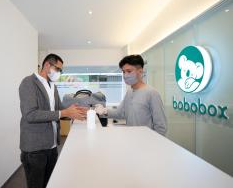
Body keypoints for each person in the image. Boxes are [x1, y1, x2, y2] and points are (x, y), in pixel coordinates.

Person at [19, 54, 87, 188]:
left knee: (50, 183)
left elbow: (59, 108)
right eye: (58, 69)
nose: (59, 73)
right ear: (47, 65)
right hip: (35, 149)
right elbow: (30, 114)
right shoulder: (28, 82)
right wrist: (64, 112)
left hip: (52, 146)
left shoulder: (52, 86)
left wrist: (75, 111)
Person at [95, 55, 167, 135]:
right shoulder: (129, 92)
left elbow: (161, 127)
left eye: (129, 71)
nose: (125, 75)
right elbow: (120, 113)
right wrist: (103, 111)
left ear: (140, 71)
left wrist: (154, 145)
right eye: (123, 72)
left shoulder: (152, 93)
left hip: (147, 142)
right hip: (132, 139)